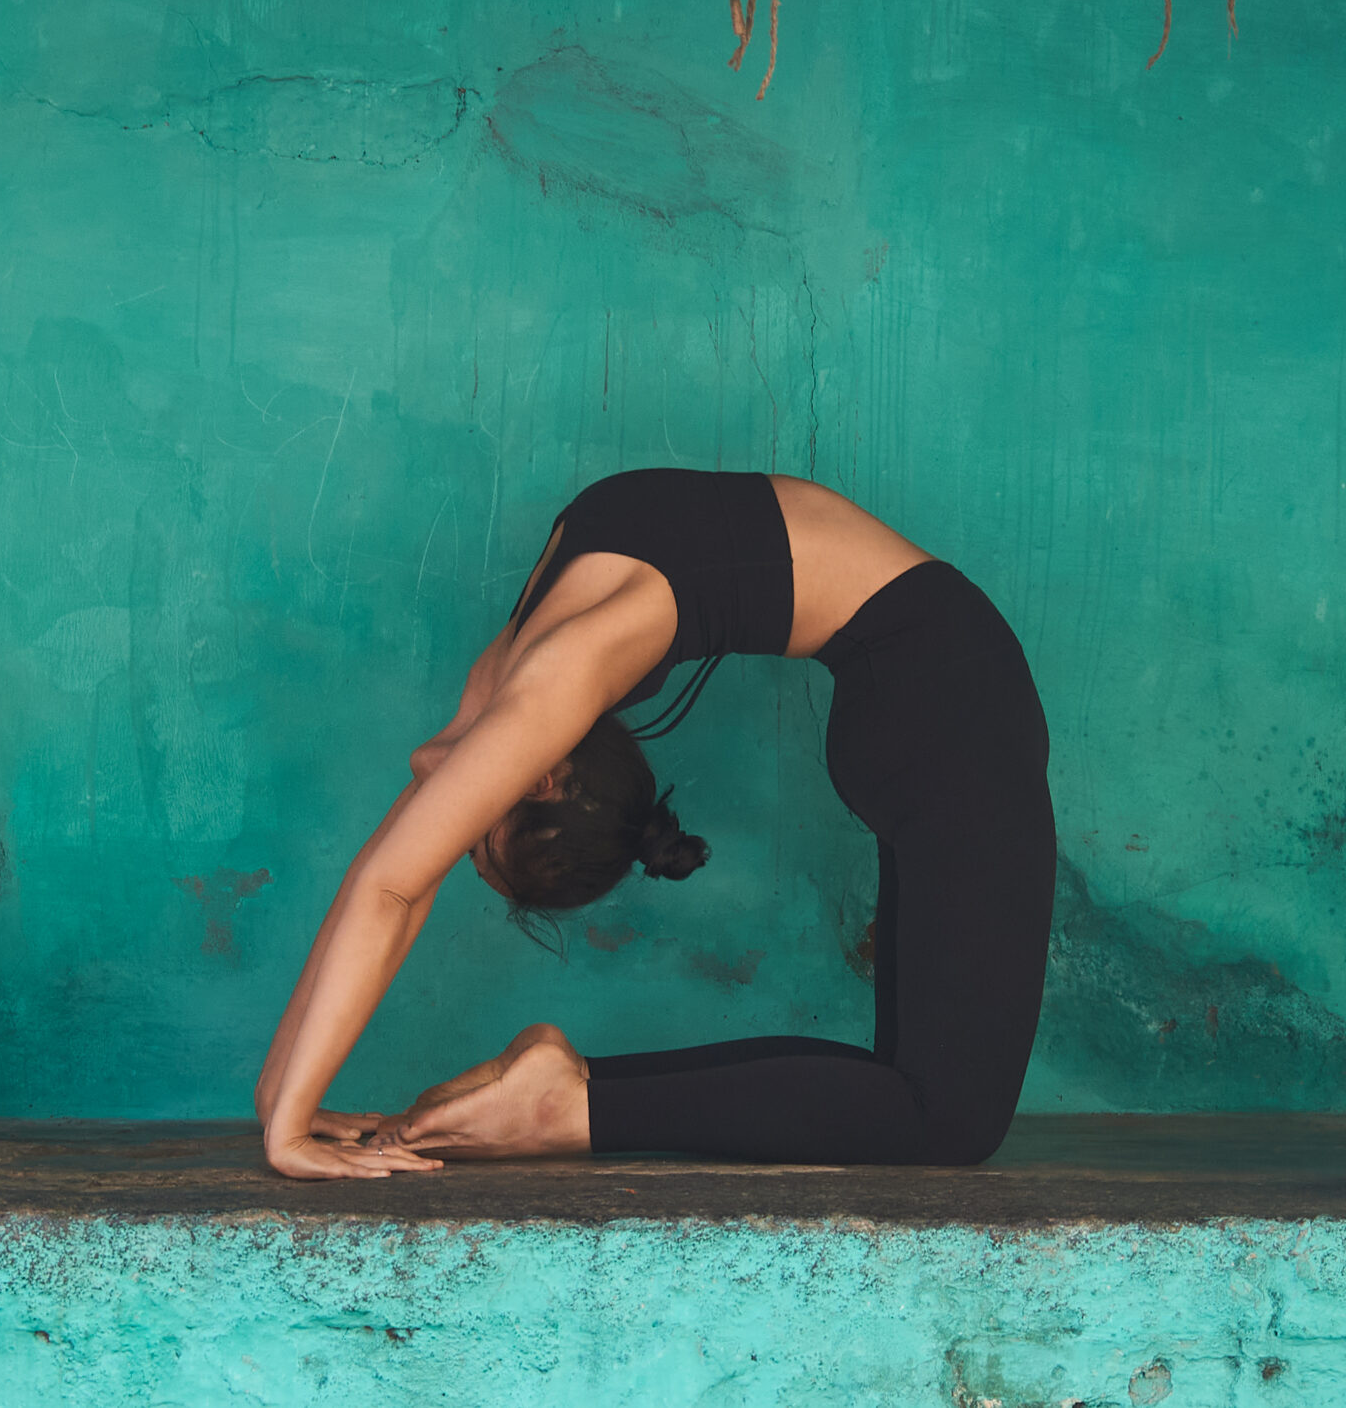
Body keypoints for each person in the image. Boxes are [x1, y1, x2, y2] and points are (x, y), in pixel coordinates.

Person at [253, 470, 1056, 1179]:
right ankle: (569, 1104)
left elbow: (395, 888)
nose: (458, 807)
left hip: (947, 704)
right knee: (940, 1110)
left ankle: (574, 1101)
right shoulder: (520, 678)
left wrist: (287, 1130)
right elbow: (392, 874)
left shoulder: (554, 676)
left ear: (544, 775)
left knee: (928, 1101)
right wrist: (285, 1099)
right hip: (940, 699)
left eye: (476, 826)